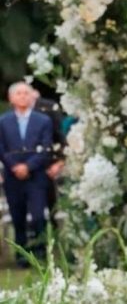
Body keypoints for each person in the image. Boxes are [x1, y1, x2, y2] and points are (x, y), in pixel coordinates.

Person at [0, 82, 54, 266]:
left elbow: (46, 148)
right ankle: (22, 255)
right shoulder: (3, 121)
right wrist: (14, 166)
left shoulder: (43, 120)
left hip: (36, 176)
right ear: (11, 98)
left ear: (32, 97)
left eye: (26, 93)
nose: (23, 96)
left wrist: (28, 166)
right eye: (19, 93)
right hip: (12, 176)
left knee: (38, 215)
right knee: (18, 216)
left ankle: (40, 252)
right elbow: (2, 148)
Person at [32, 88, 64, 228]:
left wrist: (59, 161)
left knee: (51, 205)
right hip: (21, 167)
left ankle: (52, 233)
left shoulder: (48, 111)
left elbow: (58, 136)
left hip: (47, 163)